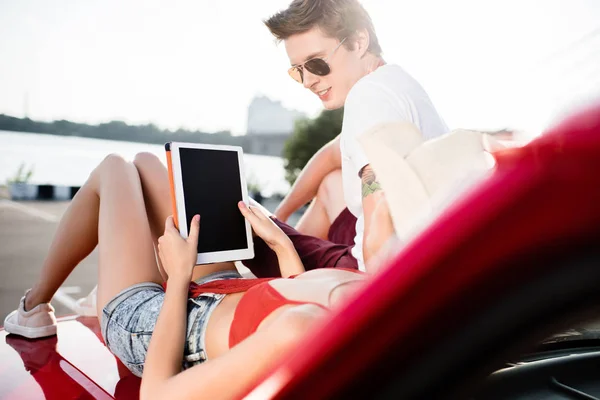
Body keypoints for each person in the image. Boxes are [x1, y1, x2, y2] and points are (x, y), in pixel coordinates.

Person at [3, 154, 371, 400]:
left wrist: (177, 278)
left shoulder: (301, 329)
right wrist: (280, 246)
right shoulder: (361, 290)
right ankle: (120, 272)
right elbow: (295, 296)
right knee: (147, 164)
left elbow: (157, 393)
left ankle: (34, 307)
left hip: (154, 327)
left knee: (114, 169)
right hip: (224, 293)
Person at [243, 0, 449, 277]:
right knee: (331, 182)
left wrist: (277, 236)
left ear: (359, 41)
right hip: (425, 245)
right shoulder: (395, 83)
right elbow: (330, 156)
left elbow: (380, 238)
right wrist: (281, 215)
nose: (308, 81)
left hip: (363, 275)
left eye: (316, 63)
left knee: (245, 223)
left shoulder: (366, 98)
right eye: (298, 70)